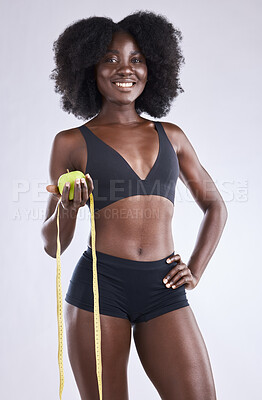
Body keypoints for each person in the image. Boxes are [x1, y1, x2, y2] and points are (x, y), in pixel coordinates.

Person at [42, 10, 227, 400]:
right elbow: (51, 245)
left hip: (163, 287)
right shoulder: (70, 142)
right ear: (88, 67)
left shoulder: (172, 136)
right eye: (110, 58)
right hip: (99, 288)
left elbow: (215, 206)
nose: (125, 69)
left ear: (153, 67)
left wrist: (194, 269)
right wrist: (69, 209)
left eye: (136, 58)